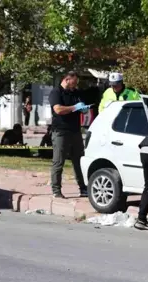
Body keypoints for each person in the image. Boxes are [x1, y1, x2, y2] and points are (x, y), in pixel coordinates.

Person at [49, 71, 89, 199]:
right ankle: (56, 190)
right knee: (58, 162)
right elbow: (58, 109)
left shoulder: (75, 93)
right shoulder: (56, 92)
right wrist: (74, 107)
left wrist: (84, 108)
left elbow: (81, 105)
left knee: (79, 161)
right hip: (60, 131)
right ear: (67, 79)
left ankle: (83, 188)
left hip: (75, 131)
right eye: (74, 82)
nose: (75, 85)